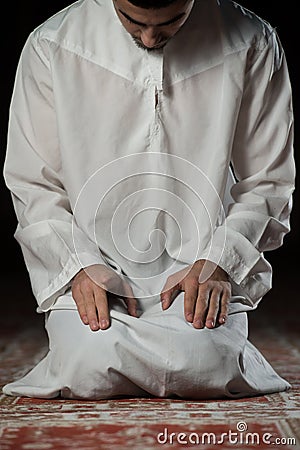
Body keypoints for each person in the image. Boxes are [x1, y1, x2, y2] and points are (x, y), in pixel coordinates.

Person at [2, 0, 295, 400]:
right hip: (98, 269)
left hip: (200, 269)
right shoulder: (50, 44)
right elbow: (33, 181)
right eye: (133, 22)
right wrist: (78, 265)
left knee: (207, 358)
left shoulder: (253, 42)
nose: (150, 37)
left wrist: (222, 261)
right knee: (87, 360)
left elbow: (270, 181)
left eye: (171, 21)